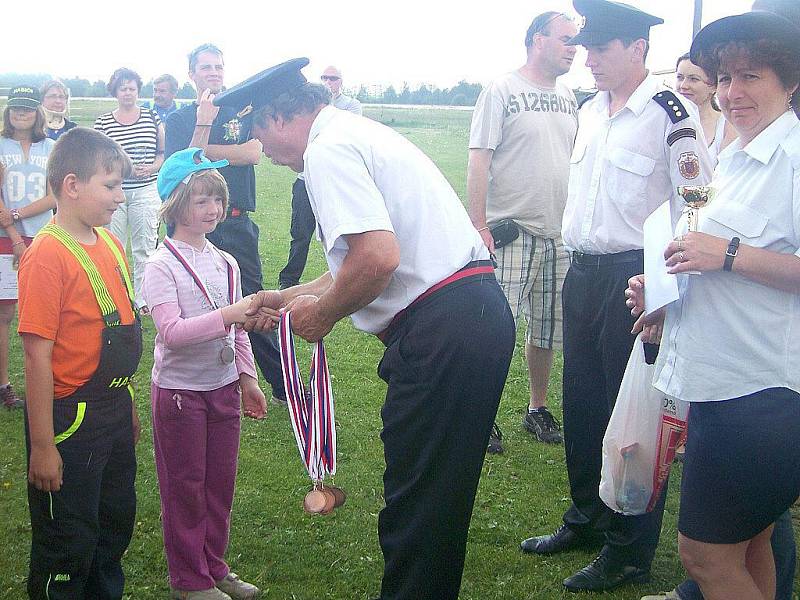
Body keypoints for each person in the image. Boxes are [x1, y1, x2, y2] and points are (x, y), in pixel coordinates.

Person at [217, 58, 515, 600]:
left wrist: (324, 313)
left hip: (444, 328)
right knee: (435, 502)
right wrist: (289, 298)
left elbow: (377, 258)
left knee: (418, 507)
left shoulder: (327, 151)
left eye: (256, 132)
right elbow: (360, 260)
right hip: (466, 315)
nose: (262, 153)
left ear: (278, 119)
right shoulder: (352, 133)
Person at [519, 0, 713, 592]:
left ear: (638, 50)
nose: (589, 60)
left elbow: (697, 206)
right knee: (581, 403)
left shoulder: (670, 115)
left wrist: (665, 291)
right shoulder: (592, 110)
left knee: (630, 415)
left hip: (637, 276)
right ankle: (587, 515)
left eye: (602, 50)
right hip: (584, 272)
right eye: (587, 49)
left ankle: (629, 548)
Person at [626, 13, 800, 600]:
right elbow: (708, 259)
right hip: (717, 382)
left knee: (703, 556)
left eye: (751, 77)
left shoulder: (795, 160)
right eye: (724, 78)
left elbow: (728, 255)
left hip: (763, 391)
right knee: (750, 545)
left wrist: (726, 253)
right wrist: (666, 294)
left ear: (791, 80)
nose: (732, 93)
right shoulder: (732, 155)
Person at [19, 127, 142, 599]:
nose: (118, 198)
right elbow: (36, 357)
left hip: (111, 410)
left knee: (112, 527)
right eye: (109, 186)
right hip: (70, 423)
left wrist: (124, 403)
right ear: (71, 186)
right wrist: (43, 446)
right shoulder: (47, 255)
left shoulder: (109, 242)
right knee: (68, 540)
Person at [143, 148, 266, 600]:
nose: (213, 209)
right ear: (176, 205)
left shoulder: (226, 262)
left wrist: (248, 378)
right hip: (180, 394)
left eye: (217, 198)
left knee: (218, 486)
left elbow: (239, 330)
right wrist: (233, 313)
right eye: (201, 200)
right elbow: (171, 333)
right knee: (186, 488)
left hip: (222, 391)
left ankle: (214, 567)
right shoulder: (160, 266)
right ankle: (189, 580)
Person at [467, 11, 578, 452]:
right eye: (565, 39)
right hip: (512, 231)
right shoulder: (503, 90)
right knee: (497, 327)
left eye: (576, 40)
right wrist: (478, 224)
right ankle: (480, 413)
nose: (574, 48)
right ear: (537, 40)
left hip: (559, 234)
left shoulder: (569, 96)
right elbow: (480, 158)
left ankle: (536, 408)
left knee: (547, 329)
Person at [165, 43, 286, 405]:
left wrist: (205, 153)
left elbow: (254, 152)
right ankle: (196, 382)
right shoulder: (180, 119)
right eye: (205, 67)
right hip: (188, 227)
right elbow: (182, 167)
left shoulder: (241, 110)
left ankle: (284, 388)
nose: (214, 72)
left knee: (254, 303)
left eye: (219, 66)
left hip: (235, 224)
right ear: (191, 74)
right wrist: (205, 126)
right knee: (190, 306)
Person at [277, 65, 362, 290]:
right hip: (305, 181)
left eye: (333, 78)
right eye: (324, 77)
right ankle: (289, 280)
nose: (328, 81)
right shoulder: (305, 109)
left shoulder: (350, 107)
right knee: (300, 234)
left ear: (341, 82)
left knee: (340, 236)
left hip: (334, 182)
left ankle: (342, 280)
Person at [0, 85, 57, 409]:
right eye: (16, 108)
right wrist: (13, 230)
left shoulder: (50, 146)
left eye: (28, 108)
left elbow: (53, 196)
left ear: (37, 112)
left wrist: (19, 215)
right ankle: (4, 383)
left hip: (42, 233)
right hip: (6, 239)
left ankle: (53, 376)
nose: (21, 114)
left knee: (45, 309)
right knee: (5, 312)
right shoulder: (0, 144)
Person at [94, 67, 165, 312]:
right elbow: (98, 158)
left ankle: (144, 299)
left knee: (144, 246)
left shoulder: (151, 117)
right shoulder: (103, 122)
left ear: (138, 90)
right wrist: (122, 170)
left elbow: (162, 154)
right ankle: (117, 295)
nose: (128, 93)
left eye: (132, 88)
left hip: (146, 190)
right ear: (115, 91)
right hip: (114, 192)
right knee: (113, 244)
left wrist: (152, 167)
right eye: (123, 88)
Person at [675, 53, 737, 166]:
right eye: (680, 77)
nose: (683, 85)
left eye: (693, 79)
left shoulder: (728, 126)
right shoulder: (668, 122)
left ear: (713, 86)